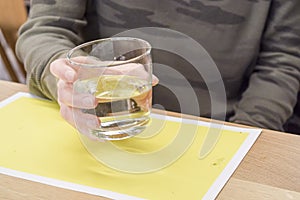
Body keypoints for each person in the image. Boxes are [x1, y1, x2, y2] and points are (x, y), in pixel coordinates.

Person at [16, 0, 300, 134]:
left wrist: (246, 134)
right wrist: (66, 78)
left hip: (223, 127)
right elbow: (45, 30)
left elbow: (282, 61)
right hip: (95, 124)